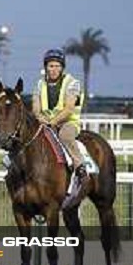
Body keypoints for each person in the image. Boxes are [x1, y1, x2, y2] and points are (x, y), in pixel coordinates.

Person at [32, 48, 88, 209]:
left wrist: (53, 122)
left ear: (62, 67)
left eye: (57, 66)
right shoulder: (39, 84)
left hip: (68, 123)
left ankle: (80, 166)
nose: (54, 69)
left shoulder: (73, 83)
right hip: (47, 122)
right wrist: (40, 118)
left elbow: (69, 108)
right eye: (50, 66)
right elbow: (36, 108)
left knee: (65, 136)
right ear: (45, 67)